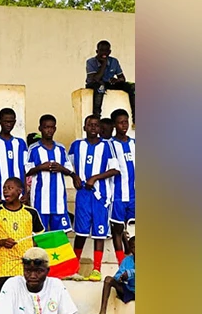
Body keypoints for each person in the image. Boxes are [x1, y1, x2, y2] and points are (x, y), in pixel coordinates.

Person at [68, 115, 120, 282]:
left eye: (96, 125)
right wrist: (74, 176)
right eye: (89, 124)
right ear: (84, 127)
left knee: (99, 233)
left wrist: (95, 177)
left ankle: (97, 269)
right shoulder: (76, 145)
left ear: (99, 129)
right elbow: (69, 166)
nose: (92, 127)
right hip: (83, 194)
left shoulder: (106, 146)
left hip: (100, 195)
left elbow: (115, 170)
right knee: (81, 231)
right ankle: (74, 267)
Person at [0, 178, 44, 296]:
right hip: (5, 267)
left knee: (26, 302)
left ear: (19, 191)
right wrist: (2, 242)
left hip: (27, 267)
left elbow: (40, 239)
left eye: (10, 188)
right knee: (5, 302)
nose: (6, 191)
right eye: (4, 188)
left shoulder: (31, 212)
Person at [25, 115, 74, 232]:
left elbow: (69, 170)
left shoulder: (60, 148)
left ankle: (57, 252)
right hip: (40, 200)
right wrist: (42, 167)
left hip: (58, 201)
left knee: (61, 235)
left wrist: (60, 168)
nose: (49, 130)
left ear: (55, 129)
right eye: (46, 127)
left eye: (52, 127)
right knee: (40, 234)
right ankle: (42, 252)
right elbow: (27, 171)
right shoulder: (34, 149)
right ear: (40, 128)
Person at [87, 220, 135, 314]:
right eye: (133, 247)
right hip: (129, 290)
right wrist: (122, 277)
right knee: (108, 280)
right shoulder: (127, 260)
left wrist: (131, 273)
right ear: (130, 249)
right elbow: (117, 275)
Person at [108, 109, 136, 264]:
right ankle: (121, 262)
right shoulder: (109, 145)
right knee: (117, 229)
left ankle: (133, 259)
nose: (123, 125)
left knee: (133, 229)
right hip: (117, 195)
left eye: (126, 122)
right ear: (114, 125)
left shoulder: (134, 143)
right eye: (120, 122)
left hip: (134, 194)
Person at [85, 39, 134, 119]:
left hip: (108, 84)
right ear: (97, 51)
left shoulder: (114, 61)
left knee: (132, 87)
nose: (104, 53)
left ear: (109, 52)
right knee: (100, 86)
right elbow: (96, 78)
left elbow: (122, 78)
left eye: (106, 50)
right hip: (94, 84)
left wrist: (117, 80)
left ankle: (136, 119)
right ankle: (96, 117)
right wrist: (104, 63)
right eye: (101, 50)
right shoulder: (91, 62)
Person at [0, 108, 28, 198]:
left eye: (11, 122)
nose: (8, 124)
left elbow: (24, 170)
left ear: (15, 122)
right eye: (6, 122)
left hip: (18, 195)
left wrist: (25, 192)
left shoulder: (20, 143)